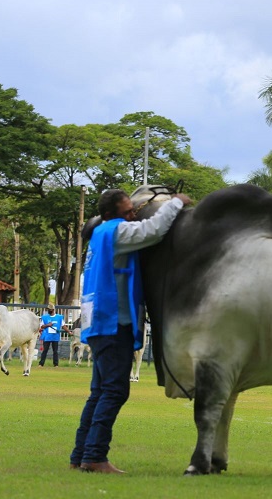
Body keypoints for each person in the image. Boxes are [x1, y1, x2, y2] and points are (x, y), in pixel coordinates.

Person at [70, 188, 192, 474]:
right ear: (112, 215)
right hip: (114, 323)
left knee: (99, 392)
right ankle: (94, 457)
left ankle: (80, 455)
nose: (132, 215)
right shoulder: (117, 232)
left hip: (100, 322)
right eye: (127, 212)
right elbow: (154, 230)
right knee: (114, 391)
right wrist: (176, 202)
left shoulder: (99, 233)